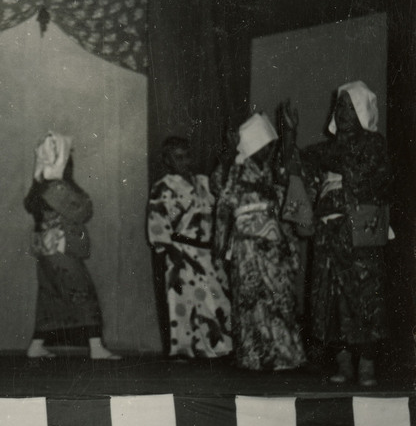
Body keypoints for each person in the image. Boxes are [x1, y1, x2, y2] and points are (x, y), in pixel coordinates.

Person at [284, 82, 391, 386]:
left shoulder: (373, 144)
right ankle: (344, 364)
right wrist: (290, 133)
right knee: (330, 299)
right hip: (327, 233)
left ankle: (367, 364)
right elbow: (297, 166)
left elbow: (350, 164)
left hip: (357, 232)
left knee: (364, 297)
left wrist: (319, 157)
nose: (342, 112)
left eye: (348, 106)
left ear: (361, 112)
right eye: (339, 106)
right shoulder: (325, 151)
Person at [214, 113, 307, 371]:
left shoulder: (273, 172)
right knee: (250, 300)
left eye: (270, 147)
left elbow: (286, 203)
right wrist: (220, 245)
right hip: (247, 247)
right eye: (264, 146)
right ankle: (254, 357)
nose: (268, 151)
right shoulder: (234, 168)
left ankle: (285, 356)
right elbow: (221, 196)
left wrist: (291, 248)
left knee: (280, 298)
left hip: (274, 245)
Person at [24, 131, 120, 360]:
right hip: (61, 249)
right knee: (83, 292)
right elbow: (84, 210)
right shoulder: (58, 188)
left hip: (47, 251)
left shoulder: (40, 186)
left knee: (50, 295)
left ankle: (36, 346)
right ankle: (96, 347)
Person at [147, 136, 232, 359]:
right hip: (181, 251)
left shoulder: (203, 182)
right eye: (178, 158)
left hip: (207, 252)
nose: (185, 161)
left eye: (187, 156)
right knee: (184, 301)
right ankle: (184, 349)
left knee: (215, 298)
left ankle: (218, 347)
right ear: (167, 161)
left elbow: (220, 202)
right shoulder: (163, 187)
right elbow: (160, 221)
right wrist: (170, 249)